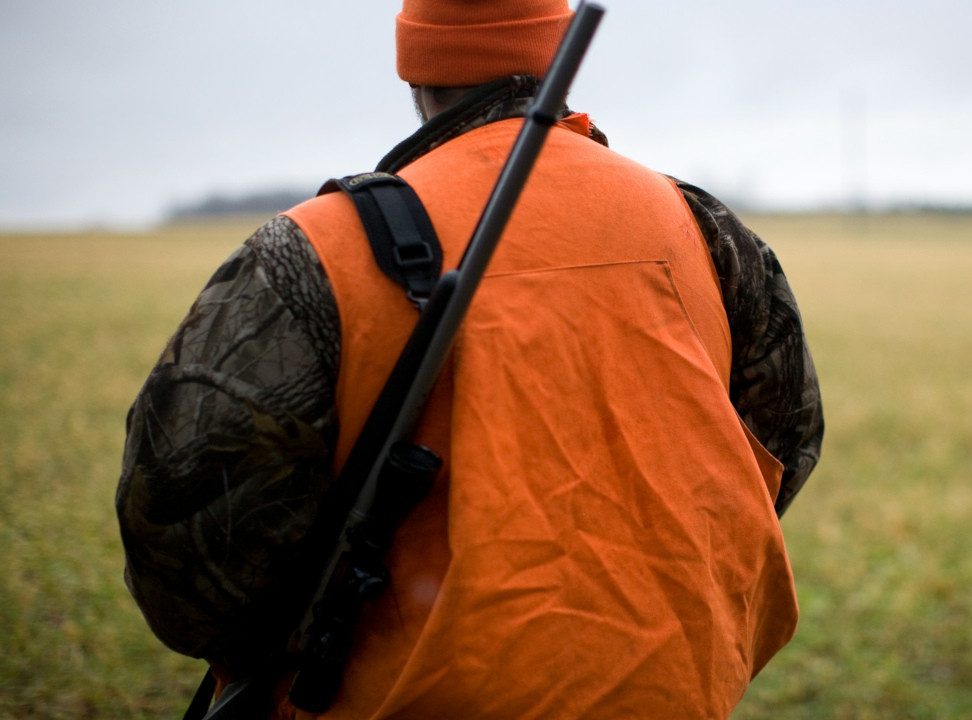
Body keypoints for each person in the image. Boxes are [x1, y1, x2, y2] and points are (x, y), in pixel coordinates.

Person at [117, 0, 823, 717]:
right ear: (557, 53)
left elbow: (184, 556)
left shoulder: (313, 251)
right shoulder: (701, 227)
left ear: (415, 69)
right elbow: (776, 454)